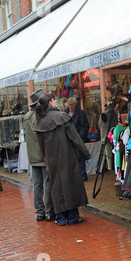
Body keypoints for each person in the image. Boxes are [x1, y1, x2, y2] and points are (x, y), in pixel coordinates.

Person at [33, 93, 91, 226]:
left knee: (56, 186)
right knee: (70, 184)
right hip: (67, 157)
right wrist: (86, 155)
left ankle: (60, 217)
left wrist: (47, 158)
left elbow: (41, 146)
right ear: (49, 103)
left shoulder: (39, 121)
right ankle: (72, 217)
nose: (56, 102)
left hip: (51, 160)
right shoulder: (62, 117)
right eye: (54, 100)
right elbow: (76, 139)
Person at [23, 90, 55, 221]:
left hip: (33, 156)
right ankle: (49, 212)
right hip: (43, 155)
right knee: (47, 183)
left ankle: (39, 212)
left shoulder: (26, 117)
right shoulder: (39, 116)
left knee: (37, 185)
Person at [65, 97, 90, 181]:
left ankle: (83, 174)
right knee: (72, 158)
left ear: (75, 104)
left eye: (72, 105)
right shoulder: (66, 113)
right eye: (69, 105)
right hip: (69, 138)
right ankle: (75, 175)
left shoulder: (81, 113)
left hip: (78, 138)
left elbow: (85, 126)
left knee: (80, 156)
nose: (70, 106)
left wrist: (80, 136)